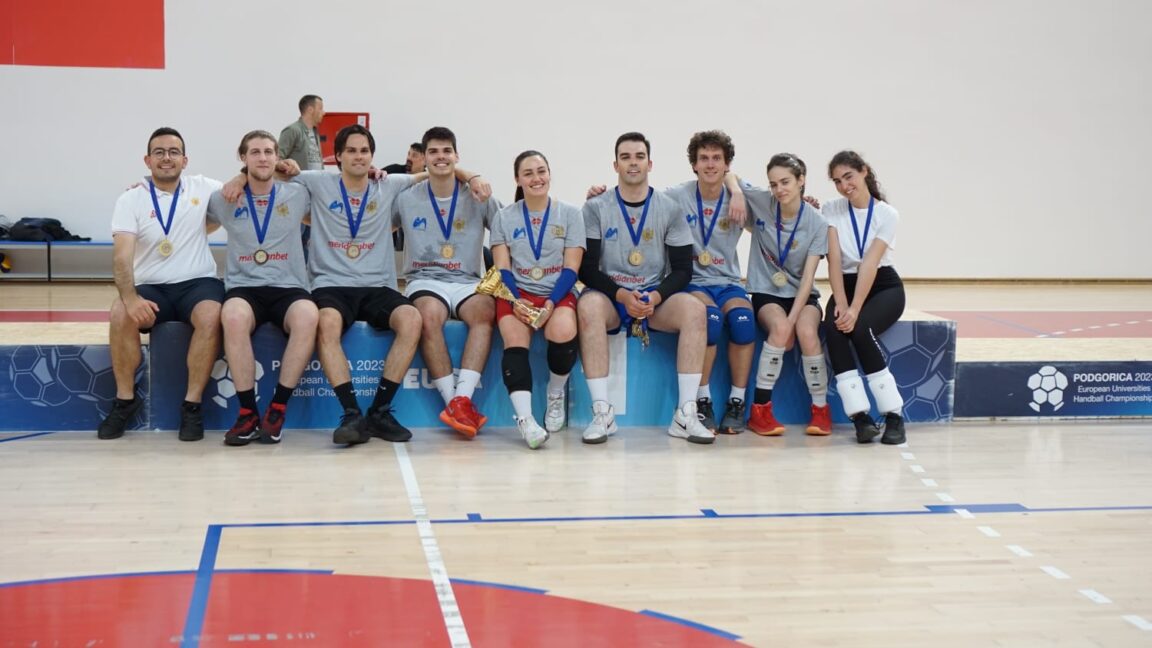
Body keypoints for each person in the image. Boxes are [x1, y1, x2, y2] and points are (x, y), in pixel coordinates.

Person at [286, 124, 437, 445]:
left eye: (364, 151)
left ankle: (379, 412)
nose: (358, 156)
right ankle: (351, 414)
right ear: (337, 156)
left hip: (377, 285)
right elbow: (270, 170)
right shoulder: (318, 181)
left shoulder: (388, 184)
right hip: (330, 284)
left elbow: (435, 171)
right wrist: (240, 178)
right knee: (326, 322)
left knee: (412, 319)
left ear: (372, 156)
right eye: (351, 151)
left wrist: (471, 176)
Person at [577, 132, 712, 444]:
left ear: (650, 163)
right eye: (625, 157)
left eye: (639, 156)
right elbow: (587, 268)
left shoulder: (670, 208)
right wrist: (623, 295)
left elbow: (683, 269)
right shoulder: (595, 208)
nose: (633, 163)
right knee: (588, 306)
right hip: (612, 295)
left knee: (695, 310)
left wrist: (655, 295)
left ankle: (686, 414)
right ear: (615, 165)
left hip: (654, 297)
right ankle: (602, 413)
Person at [97, 127, 225, 442]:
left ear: (185, 160)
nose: (167, 158)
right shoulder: (131, 199)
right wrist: (130, 299)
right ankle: (125, 399)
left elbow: (246, 183)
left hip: (197, 283)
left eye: (173, 152)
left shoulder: (204, 187)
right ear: (148, 160)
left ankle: (192, 405)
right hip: (152, 286)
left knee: (211, 315)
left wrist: (251, 176)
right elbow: (121, 257)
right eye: (159, 152)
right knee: (119, 312)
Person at [206, 130, 319, 446]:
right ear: (242, 158)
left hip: (289, 286)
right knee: (232, 317)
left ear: (278, 157)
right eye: (255, 152)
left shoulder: (297, 193)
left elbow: (337, 183)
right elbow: (186, 208)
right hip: (245, 287)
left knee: (309, 316)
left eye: (269, 152)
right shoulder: (224, 197)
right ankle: (247, 413)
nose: (263, 158)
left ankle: (277, 409)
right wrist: (142, 189)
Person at [393, 126, 500, 439]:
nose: (441, 157)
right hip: (425, 278)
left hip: (467, 280)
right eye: (434, 152)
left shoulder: (478, 195)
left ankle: (461, 399)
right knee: (427, 316)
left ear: (456, 156)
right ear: (424, 158)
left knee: (485, 312)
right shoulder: (406, 198)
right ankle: (453, 402)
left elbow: (506, 230)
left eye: (446, 151)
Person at [489, 150, 585, 448]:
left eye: (541, 171)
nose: (536, 178)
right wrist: (516, 300)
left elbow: (571, 268)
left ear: (549, 174)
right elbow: (502, 268)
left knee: (563, 330)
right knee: (514, 339)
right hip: (517, 291)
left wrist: (551, 303)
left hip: (556, 291)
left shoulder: (570, 214)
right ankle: (526, 420)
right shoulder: (504, 216)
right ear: (517, 179)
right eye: (528, 173)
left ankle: (555, 394)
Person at [664, 130, 755, 435]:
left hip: (728, 280)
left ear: (727, 164)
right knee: (710, 320)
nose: (710, 164)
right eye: (704, 158)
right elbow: (639, 200)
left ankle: (736, 402)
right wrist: (599, 196)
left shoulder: (741, 196)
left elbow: (779, 206)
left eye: (717, 158)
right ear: (694, 164)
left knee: (743, 323)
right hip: (693, 281)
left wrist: (804, 201)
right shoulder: (677, 195)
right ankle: (702, 400)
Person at [738, 153, 832, 436]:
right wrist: (736, 194)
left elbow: (808, 279)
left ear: (801, 180)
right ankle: (759, 411)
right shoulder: (763, 202)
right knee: (780, 330)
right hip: (766, 292)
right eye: (773, 184)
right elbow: (730, 176)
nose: (779, 189)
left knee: (806, 332)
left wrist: (793, 319)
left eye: (785, 182)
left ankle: (821, 410)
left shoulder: (818, 222)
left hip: (802, 294)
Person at [823, 150, 907, 444]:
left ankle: (894, 415)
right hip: (844, 285)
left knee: (860, 329)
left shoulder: (887, 214)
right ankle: (860, 417)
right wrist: (841, 303)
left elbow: (870, 263)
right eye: (837, 181)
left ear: (864, 172)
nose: (844, 186)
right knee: (833, 330)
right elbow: (834, 260)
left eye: (849, 177)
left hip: (883, 285)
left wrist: (855, 309)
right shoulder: (831, 210)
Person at [278, 95, 325, 172]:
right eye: (320, 108)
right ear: (310, 110)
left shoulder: (315, 132)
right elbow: (277, 159)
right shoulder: (292, 130)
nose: (324, 112)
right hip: (298, 179)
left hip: (317, 179)